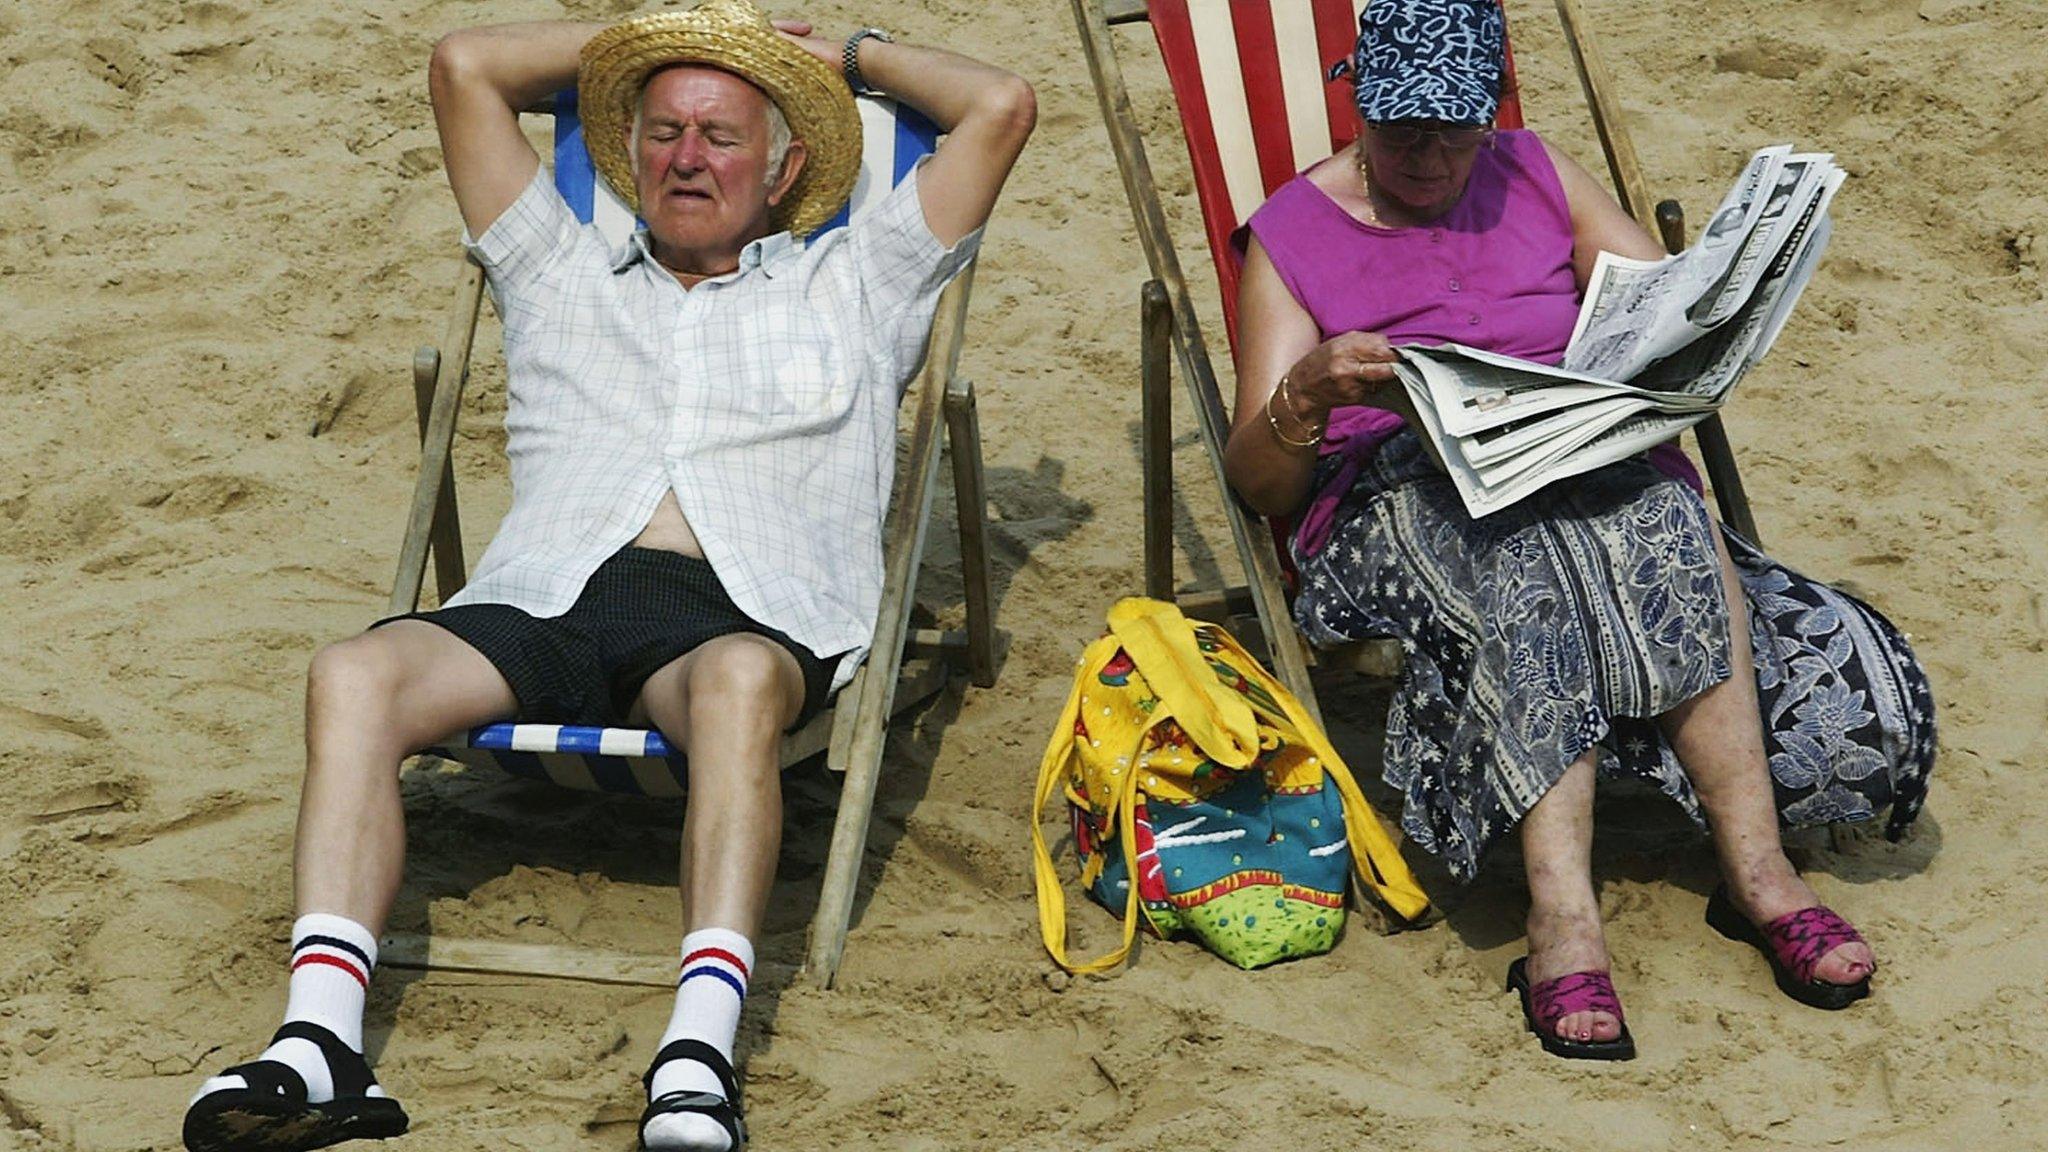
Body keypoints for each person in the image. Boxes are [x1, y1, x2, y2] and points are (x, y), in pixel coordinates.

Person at [179, 2, 1033, 1148]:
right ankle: (321, 1043)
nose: (688, 157)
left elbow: (999, 106)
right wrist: (669, 35)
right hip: (542, 599)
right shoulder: (553, 265)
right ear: (627, 156)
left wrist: (818, 57)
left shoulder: (858, 283)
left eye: (723, 135)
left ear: (783, 172)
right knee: (352, 673)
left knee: (734, 686)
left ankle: (695, 1056)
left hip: (738, 615)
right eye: (663, 131)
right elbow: (464, 66)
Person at [1222, 0, 1933, 1062]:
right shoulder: (1291, 231)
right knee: (1530, 561)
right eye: (1399, 128)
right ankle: (1563, 921)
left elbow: (1663, 306)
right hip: (1398, 491)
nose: (1424, 152)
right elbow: (1259, 482)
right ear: (1357, 110)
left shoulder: (1533, 171)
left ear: (1485, 115)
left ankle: (1758, 874)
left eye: (1451, 129)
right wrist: (1308, 393)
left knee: (1667, 519)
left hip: (1572, 447)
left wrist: (1670, 342)